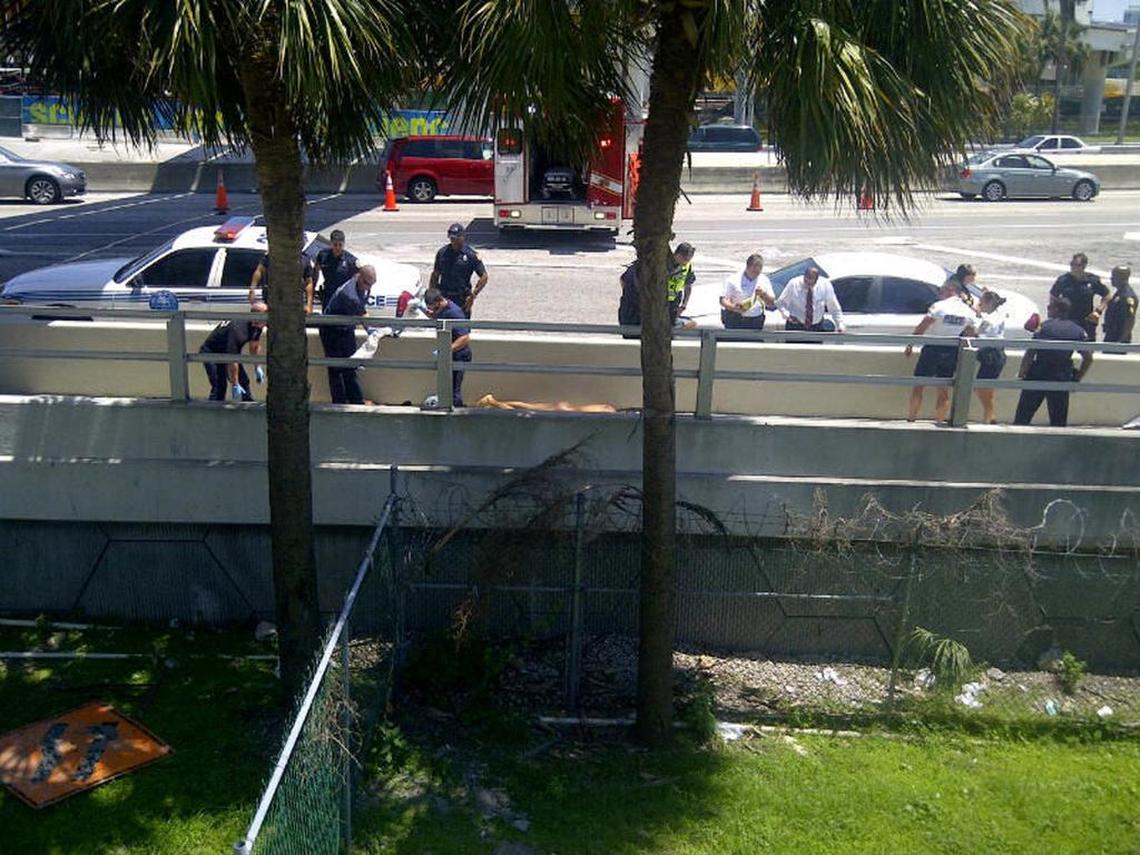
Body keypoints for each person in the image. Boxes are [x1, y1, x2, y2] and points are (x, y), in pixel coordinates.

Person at [1014, 297, 1093, 427]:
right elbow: (1088, 358)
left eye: (1050, 307)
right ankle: (1057, 445)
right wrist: (1077, 378)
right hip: (1061, 377)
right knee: (1058, 421)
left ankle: (1015, 443)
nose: (1048, 309)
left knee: (1023, 417)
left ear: (1056, 309)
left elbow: (1030, 353)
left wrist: (1022, 372)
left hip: (1038, 375)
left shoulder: (1044, 327)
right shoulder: (1077, 330)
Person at [905, 281, 977, 421]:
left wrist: (910, 344)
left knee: (919, 385)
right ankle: (939, 420)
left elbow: (924, 324)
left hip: (933, 347)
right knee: (943, 389)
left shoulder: (939, 306)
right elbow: (971, 333)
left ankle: (912, 418)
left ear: (950, 290)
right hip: (952, 350)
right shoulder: (968, 311)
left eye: (942, 291)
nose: (940, 294)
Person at [320, 265, 377, 404]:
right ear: (360, 277)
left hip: (346, 329)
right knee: (336, 369)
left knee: (350, 366)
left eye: (372, 284)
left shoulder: (359, 282)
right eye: (367, 284)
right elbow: (363, 317)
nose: (368, 288)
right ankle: (340, 403)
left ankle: (355, 400)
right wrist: (375, 331)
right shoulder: (349, 294)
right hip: (332, 331)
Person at [199, 302, 267, 402]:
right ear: (255, 316)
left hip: (229, 352)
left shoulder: (257, 326)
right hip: (211, 351)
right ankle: (214, 412)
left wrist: (257, 367)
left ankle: (247, 406)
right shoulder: (239, 329)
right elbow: (232, 359)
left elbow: (254, 346)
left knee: (244, 381)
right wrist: (235, 383)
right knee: (219, 385)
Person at [424, 287, 472, 407]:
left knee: (454, 391)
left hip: (460, 355)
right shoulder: (442, 309)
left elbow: (465, 338)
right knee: (446, 388)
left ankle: (457, 415)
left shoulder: (453, 312)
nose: (432, 310)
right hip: (449, 355)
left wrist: (446, 350)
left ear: (439, 301)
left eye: (433, 307)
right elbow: (439, 316)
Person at [430, 223, 487, 317]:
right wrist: (432, 296)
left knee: (461, 329)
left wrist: (473, 296)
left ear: (463, 237)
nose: (453, 241)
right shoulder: (442, 253)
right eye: (451, 238)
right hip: (444, 297)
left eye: (456, 238)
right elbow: (435, 274)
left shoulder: (470, 255)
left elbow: (484, 277)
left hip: (462, 299)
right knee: (443, 328)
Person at [1050, 252, 1108, 341]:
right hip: (1068, 320)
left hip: (1086, 321)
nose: (1073, 267)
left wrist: (1098, 311)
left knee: (1087, 348)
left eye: (1076, 265)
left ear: (1084, 266)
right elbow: (1053, 296)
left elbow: (1107, 295)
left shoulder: (1092, 280)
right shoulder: (1063, 280)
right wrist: (1055, 314)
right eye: (1071, 264)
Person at [776, 265, 846, 334]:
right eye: (806, 281)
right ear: (804, 276)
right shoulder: (794, 284)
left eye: (811, 283)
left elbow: (833, 307)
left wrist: (840, 324)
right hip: (795, 326)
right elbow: (780, 303)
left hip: (816, 327)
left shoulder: (825, 285)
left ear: (816, 280)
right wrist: (787, 315)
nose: (808, 284)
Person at [974, 289, 1008, 424]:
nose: (979, 304)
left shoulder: (989, 319)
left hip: (991, 354)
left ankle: (990, 414)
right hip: (998, 353)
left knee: (980, 387)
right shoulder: (999, 315)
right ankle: (990, 416)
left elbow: (978, 333)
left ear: (988, 303)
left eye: (981, 302)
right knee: (988, 388)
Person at [720, 253, 774, 330]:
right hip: (736, 320)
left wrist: (763, 294)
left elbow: (771, 302)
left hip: (756, 321)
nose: (756, 274)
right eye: (753, 271)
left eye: (758, 271)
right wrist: (733, 308)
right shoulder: (733, 279)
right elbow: (723, 300)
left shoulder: (764, 280)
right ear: (747, 267)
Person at [249, 251, 316, 313]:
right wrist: (252, 290)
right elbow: (260, 270)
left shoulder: (304, 259)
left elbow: (309, 282)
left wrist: (309, 304)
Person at [313, 229, 359, 313]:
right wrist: (313, 290)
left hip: (344, 298)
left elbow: (358, 279)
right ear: (331, 243)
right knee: (327, 322)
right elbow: (315, 273)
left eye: (340, 245)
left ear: (344, 244)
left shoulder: (350, 260)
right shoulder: (323, 255)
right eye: (335, 245)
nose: (338, 247)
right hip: (328, 295)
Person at [1102, 264, 1136, 345]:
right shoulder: (1119, 293)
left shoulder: (1127, 296)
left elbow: (1130, 319)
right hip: (1112, 334)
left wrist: (1122, 340)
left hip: (1118, 337)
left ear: (1123, 278)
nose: (1111, 279)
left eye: (1114, 276)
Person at [476, 394, 617, 413]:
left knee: (526, 406)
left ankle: (493, 402)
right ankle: (492, 402)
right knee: (525, 408)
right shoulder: (609, 411)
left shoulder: (607, 408)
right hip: (564, 410)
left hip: (565, 407)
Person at [666, 242, 696, 324]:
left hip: (675, 300)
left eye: (689, 260)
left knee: (671, 324)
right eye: (685, 259)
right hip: (661, 300)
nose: (686, 262)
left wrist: (684, 305)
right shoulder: (665, 263)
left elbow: (688, 285)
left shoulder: (687, 266)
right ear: (678, 255)